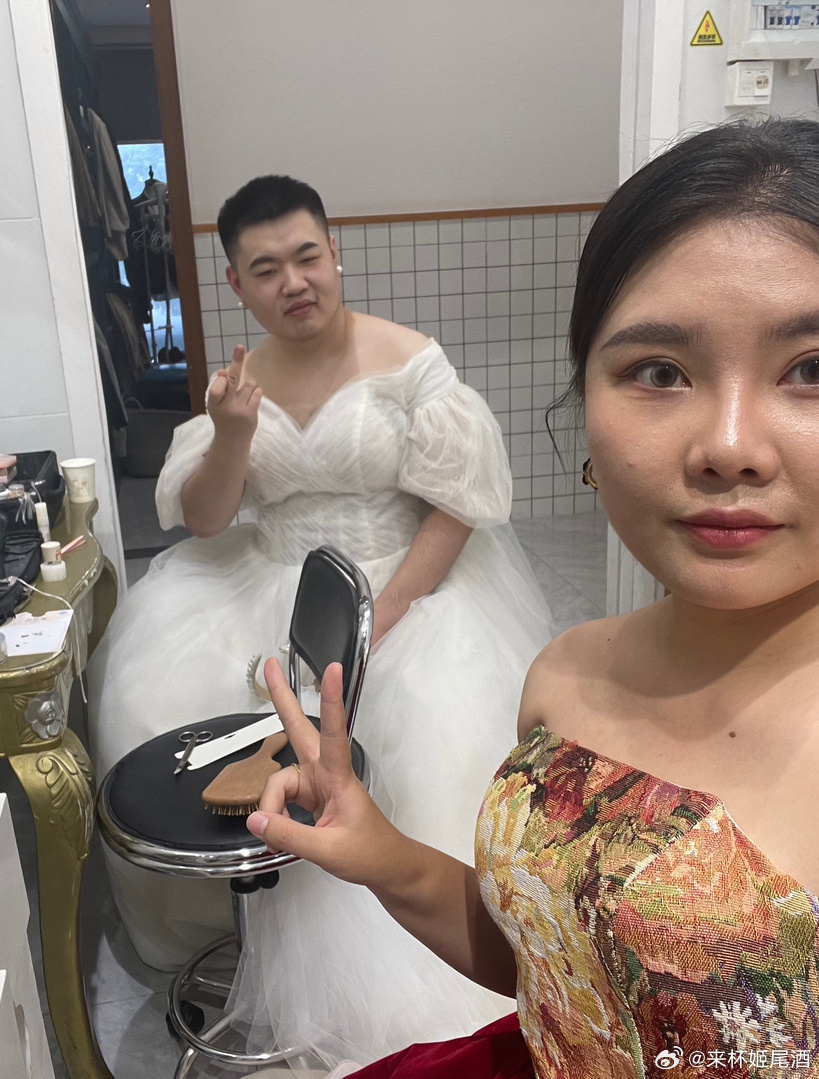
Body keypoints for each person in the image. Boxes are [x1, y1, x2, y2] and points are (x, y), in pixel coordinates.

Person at [246, 118, 819, 1078]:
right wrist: (379, 847)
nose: (727, 446)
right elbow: (555, 971)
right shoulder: (564, 674)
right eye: (658, 372)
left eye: (809, 370)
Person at [88, 176, 555, 1066]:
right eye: (265, 269)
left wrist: (389, 612)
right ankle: (238, 928)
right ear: (236, 282)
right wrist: (231, 432)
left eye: (307, 256)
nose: (293, 281)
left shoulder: (410, 364)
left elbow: (457, 507)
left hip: (404, 580)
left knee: (423, 734)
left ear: (335, 252)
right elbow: (206, 520)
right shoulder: (237, 384)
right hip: (265, 574)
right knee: (156, 703)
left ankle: (409, 939)